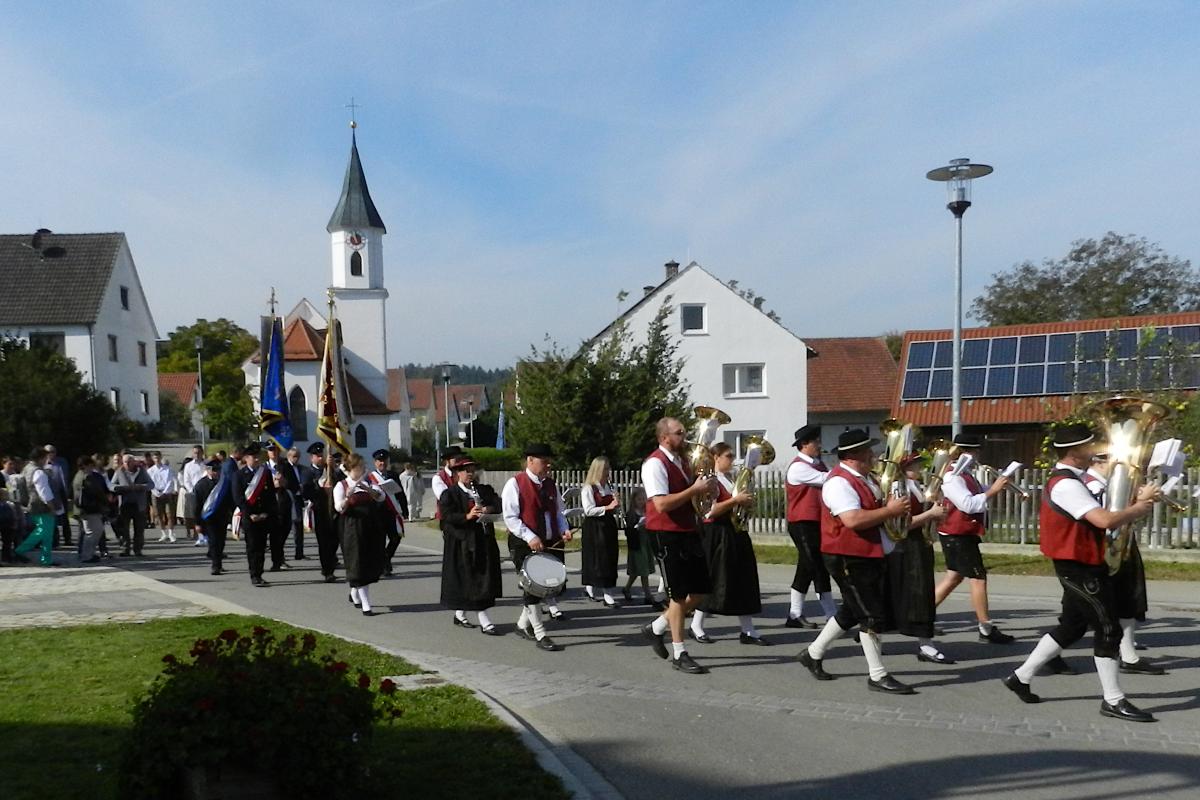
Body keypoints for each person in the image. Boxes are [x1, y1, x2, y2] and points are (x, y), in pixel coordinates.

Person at [1002, 423, 1161, 722]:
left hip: (1083, 562)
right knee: (1108, 628)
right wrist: (1139, 507)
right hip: (1078, 566)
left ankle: (1020, 677)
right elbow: (1103, 520)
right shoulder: (1066, 484)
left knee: (1072, 627)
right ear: (1075, 452)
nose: (1095, 451)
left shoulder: (1073, 480)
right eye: (1089, 447)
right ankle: (1113, 700)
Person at [795, 429, 914, 694]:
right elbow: (853, 520)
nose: (873, 455)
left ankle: (813, 654)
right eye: (867, 451)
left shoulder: (864, 479)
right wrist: (890, 510)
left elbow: (875, 514)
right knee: (871, 615)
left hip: (865, 553)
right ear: (853, 456)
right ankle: (878, 675)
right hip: (847, 555)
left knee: (851, 610)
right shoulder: (839, 482)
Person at [639, 417, 717, 675]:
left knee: (700, 591)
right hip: (665, 532)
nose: (685, 436)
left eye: (683, 432)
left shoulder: (682, 461)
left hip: (687, 529)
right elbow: (660, 504)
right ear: (664, 438)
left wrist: (708, 490)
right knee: (678, 595)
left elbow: (693, 493)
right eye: (679, 433)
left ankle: (657, 627)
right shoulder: (654, 464)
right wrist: (694, 490)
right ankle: (679, 652)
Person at [1084, 452, 1164, 676]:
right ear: (1098, 461)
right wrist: (1137, 502)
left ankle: (1129, 655)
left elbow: (1125, 517)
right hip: (1103, 549)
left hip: (1122, 544)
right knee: (1077, 615)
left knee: (1129, 599)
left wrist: (1141, 503)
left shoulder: (1109, 484)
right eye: (1114, 461)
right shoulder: (1090, 485)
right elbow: (1106, 518)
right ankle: (1045, 659)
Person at [932, 432, 1016, 644]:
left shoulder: (965, 473)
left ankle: (921, 616)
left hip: (961, 533)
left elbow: (976, 493)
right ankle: (985, 627)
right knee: (978, 577)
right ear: (966, 452)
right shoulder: (952, 475)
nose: (978, 455)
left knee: (954, 577)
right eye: (975, 451)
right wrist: (992, 491)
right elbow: (968, 504)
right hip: (956, 533)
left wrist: (995, 487)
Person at [690, 442, 769, 645]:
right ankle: (696, 625)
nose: (732, 460)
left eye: (733, 456)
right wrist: (736, 501)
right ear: (716, 458)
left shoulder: (732, 479)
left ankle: (748, 629)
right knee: (713, 579)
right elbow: (709, 511)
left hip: (735, 532)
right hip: (716, 533)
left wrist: (746, 503)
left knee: (744, 579)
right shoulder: (709, 480)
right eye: (728, 456)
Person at [501, 443, 571, 651]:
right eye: (544, 460)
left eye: (549, 461)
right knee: (532, 587)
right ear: (530, 460)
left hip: (550, 542)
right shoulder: (515, 484)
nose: (548, 465)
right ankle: (540, 633)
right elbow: (511, 518)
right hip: (524, 543)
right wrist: (530, 536)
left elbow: (558, 512)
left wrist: (564, 529)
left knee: (546, 587)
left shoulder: (550, 484)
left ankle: (523, 625)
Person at [886, 456, 952, 663]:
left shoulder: (918, 487)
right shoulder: (898, 487)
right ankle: (924, 644)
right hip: (904, 547)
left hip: (919, 546)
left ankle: (925, 643)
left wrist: (938, 515)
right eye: (915, 465)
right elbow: (900, 525)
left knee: (920, 595)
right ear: (905, 468)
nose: (920, 467)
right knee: (911, 594)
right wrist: (930, 513)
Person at [438, 455, 503, 633]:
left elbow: (498, 503)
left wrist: (488, 508)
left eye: (472, 470)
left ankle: (460, 614)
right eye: (466, 470)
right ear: (458, 473)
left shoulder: (483, 490)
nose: (470, 474)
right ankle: (485, 620)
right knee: (471, 581)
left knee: (481, 579)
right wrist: (467, 516)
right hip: (462, 543)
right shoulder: (450, 494)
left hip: (483, 540)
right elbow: (447, 517)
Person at [784, 425, 835, 628]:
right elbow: (827, 480)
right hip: (802, 523)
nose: (820, 445)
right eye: (816, 442)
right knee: (817, 566)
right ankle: (832, 614)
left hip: (815, 522)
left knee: (806, 568)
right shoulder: (799, 467)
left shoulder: (817, 463)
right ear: (804, 445)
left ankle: (794, 614)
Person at [335, 453, 387, 615]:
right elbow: (339, 508)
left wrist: (368, 489)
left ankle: (354, 592)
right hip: (352, 528)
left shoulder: (369, 481)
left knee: (369, 562)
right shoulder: (342, 485)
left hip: (370, 526)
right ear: (352, 468)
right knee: (358, 564)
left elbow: (381, 497)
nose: (364, 469)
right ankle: (366, 605)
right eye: (360, 467)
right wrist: (348, 496)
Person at [300, 442, 345, 583]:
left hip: (335, 511)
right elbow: (306, 492)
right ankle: (327, 571)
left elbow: (342, 482)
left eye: (322, 455)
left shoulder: (332, 470)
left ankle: (330, 564)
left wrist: (332, 468)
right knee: (324, 543)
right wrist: (320, 489)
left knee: (335, 541)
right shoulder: (308, 473)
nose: (320, 458)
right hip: (320, 511)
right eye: (317, 456)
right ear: (311, 458)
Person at [580, 456, 622, 607]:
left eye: (608, 468)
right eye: (605, 469)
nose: (608, 472)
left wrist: (616, 504)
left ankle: (601, 589)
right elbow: (589, 510)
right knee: (598, 558)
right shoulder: (588, 488)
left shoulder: (609, 487)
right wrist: (608, 507)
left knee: (610, 556)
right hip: (594, 526)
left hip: (608, 524)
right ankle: (604, 593)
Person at [234, 443, 276, 587]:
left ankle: (259, 573)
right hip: (250, 517)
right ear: (246, 458)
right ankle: (254, 574)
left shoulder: (265, 473)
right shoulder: (239, 475)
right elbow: (238, 497)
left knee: (262, 546)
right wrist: (250, 514)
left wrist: (266, 512)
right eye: (253, 456)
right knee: (252, 546)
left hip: (263, 516)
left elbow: (270, 495)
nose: (257, 459)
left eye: (258, 456)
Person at [15, 447, 62, 566]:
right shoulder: (39, 472)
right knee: (45, 532)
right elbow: (44, 492)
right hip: (42, 506)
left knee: (43, 532)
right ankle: (22, 551)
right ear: (41, 458)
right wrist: (52, 507)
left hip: (32, 504)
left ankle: (43, 558)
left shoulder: (27, 468)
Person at [621, 487, 665, 610]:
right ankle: (647, 594)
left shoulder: (647, 511)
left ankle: (627, 588)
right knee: (643, 570)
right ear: (634, 500)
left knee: (638, 570)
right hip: (637, 544)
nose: (642, 501)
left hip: (646, 543)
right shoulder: (631, 513)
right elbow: (629, 530)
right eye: (639, 499)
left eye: (644, 499)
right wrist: (636, 526)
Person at [369, 449, 408, 576]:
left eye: (384, 460)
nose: (382, 463)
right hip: (376, 514)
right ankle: (384, 564)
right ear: (375, 463)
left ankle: (386, 558)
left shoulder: (393, 475)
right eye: (379, 461)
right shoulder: (370, 477)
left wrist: (405, 510)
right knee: (379, 540)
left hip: (391, 512)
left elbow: (400, 493)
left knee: (396, 537)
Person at [110, 452, 152, 557]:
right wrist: (121, 488)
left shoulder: (141, 471)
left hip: (139, 504)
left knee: (139, 528)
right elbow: (111, 485)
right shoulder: (119, 471)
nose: (127, 464)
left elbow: (151, 484)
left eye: (129, 462)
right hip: (125, 504)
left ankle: (138, 549)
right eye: (125, 462)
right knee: (124, 528)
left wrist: (141, 487)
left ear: (134, 462)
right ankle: (125, 549)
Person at [195, 459, 232, 575]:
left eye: (218, 469)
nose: (216, 472)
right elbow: (197, 505)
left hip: (222, 517)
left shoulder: (224, 483)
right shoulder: (201, 485)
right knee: (214, 542)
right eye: (213, 470)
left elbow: (230, 500)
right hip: (208, 519)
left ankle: (219, 564)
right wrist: (197, 523)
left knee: (221, 542)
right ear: (208, 470)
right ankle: (215, 566)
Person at [74, 455, 111, 563]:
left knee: (96, 530)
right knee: (91, 533)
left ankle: (88, 553)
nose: (92, 468)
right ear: (86, 465)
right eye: (90, 465)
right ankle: (86, 555)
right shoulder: (86, 477)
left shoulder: (79, 475)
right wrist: (105, 500)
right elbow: (95, 492)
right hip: (89, 509)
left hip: (85, 509)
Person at [43, 444, 72, 549]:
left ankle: (67, 538)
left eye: (53, 452)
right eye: (48, 452)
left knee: (64, 517)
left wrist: (67, 493)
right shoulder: (42, 465)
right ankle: (55, 540)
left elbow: (65, 478)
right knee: (51, 517)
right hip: (49, 493)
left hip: (61, 492)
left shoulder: (61, 462)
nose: (51, 454)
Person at [147, 451, 178, 543]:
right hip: (156, 493)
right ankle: (163, 533)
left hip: (167, 493)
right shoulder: (150, 471)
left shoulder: (168, 469)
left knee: (169, 514)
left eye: (158, 457)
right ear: (153, 459)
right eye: (155, 458)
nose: (157, 459)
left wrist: (165, 492)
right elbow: (150, 483)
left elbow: (170, 481)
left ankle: (171, 533)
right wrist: (156, 492)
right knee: (158, 514)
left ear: (161, 457)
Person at [179, 446, 207, 545]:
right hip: (194, 493)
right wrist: (193, 490)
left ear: (202, 453)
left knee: (206, 514)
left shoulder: (206, 464)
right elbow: (186, 480)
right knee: (196, 515)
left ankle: (206, 534)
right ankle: (199, 536)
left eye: (199, 452)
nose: (197, 455)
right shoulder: (189, 466)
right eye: (195, 453)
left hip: (206, 492)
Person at [431, 446, 463, 519]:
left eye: (460, 459)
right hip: (448, 518)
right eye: (456, 459)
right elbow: (445, 498)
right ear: (447, 461)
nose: (459, 462)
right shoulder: (438, 478)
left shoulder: (463, 474)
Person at [286, 447, 306, 560]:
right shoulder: (286, 467)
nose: (296, 458)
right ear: (289, 457)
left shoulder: (300, 468)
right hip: (290, 498)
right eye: (294, 456)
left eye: (298, 456)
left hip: (299, 499)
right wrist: (297, 488)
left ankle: (299, 552)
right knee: (291, 525)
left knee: (299, 526)